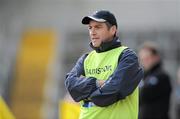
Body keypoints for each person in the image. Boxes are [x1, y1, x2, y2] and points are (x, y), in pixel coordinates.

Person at [65, 10, 143, 119]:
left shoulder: (127, 56)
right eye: (90, 28)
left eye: (98, 27)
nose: (92, 32)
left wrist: (86, 94)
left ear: (113, 30)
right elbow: (71, 85)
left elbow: (116, 89)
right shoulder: (86, 59)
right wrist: (97, 84)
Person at [138, 42, 172, 119]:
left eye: (147, 58)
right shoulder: (143, 76)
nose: (144, 62)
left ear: (156, 57)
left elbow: (143, 93)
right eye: (142, 59)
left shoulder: (162, 76)